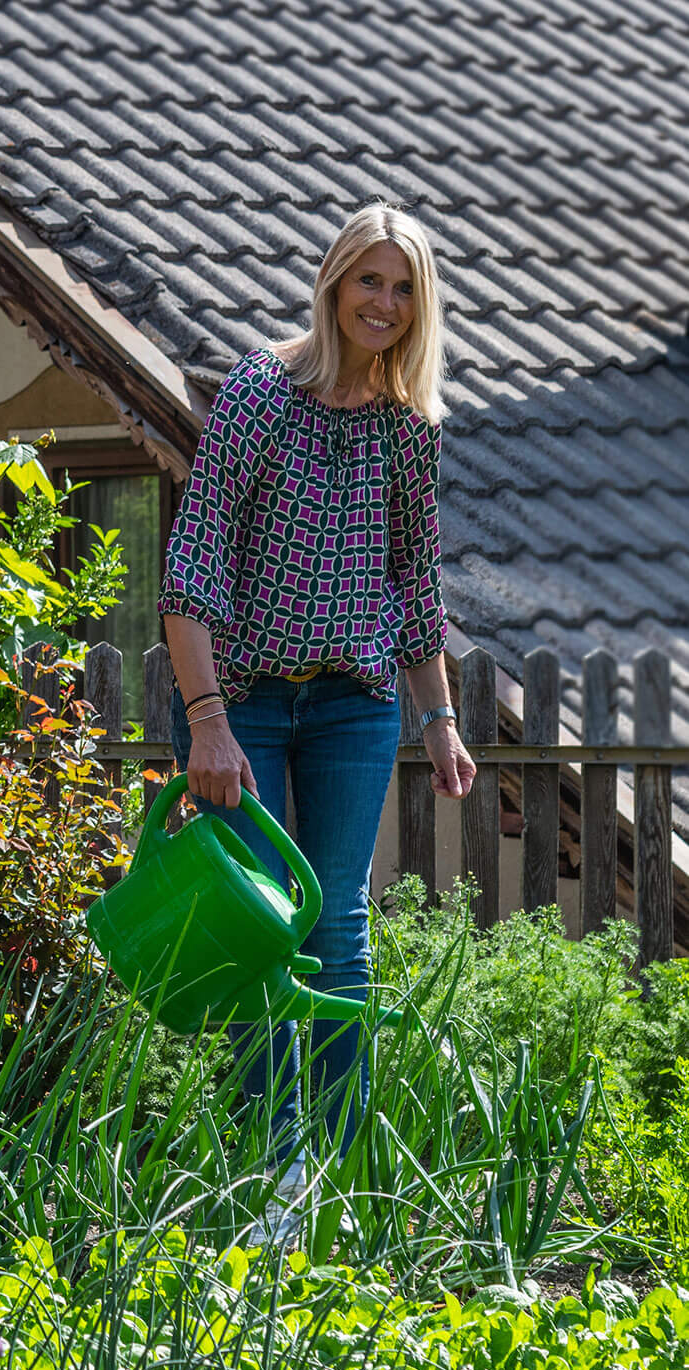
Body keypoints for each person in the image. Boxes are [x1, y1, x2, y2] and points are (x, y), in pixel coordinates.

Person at [157, 202, 479, 1184]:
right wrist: (208, 723)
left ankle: (332, 1181)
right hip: (241, 700)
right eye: (369, 280)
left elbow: (412, 582)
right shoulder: (263, 391)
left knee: (335, 918)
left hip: (353, 703)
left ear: (418, 307)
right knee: (266, 921)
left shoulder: (408, 427)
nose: (382, 302)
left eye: (402, 288)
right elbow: (193, 558)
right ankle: (270, 1167)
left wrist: (441, 721)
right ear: (336, 284)